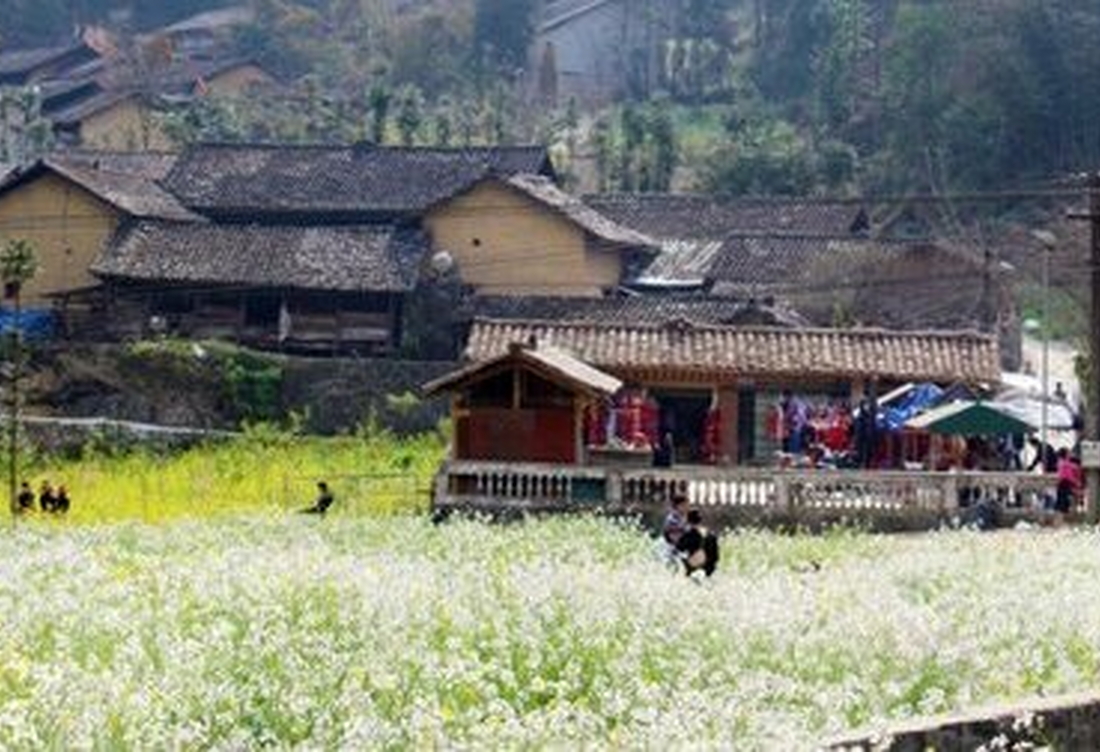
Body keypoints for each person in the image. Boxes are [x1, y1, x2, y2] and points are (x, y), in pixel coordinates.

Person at [675, 509, 720, 577]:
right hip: (709, 571)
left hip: (692, 570)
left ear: (688, 521)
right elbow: (716, 556)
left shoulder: (688, 536)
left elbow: (678, 550)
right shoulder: (711, 535)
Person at [1055, 448, 1082, 515]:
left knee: (1062, 498)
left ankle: (1062, 512)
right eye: (1068, 453)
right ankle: (1064, 513)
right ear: (1066, 455)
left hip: (1062, 483)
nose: (1070, 454)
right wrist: (1076, 482)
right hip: (1065, 482)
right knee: (1065, 499)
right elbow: (1068, 476)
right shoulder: (1065, 464)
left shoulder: (1061, 463)